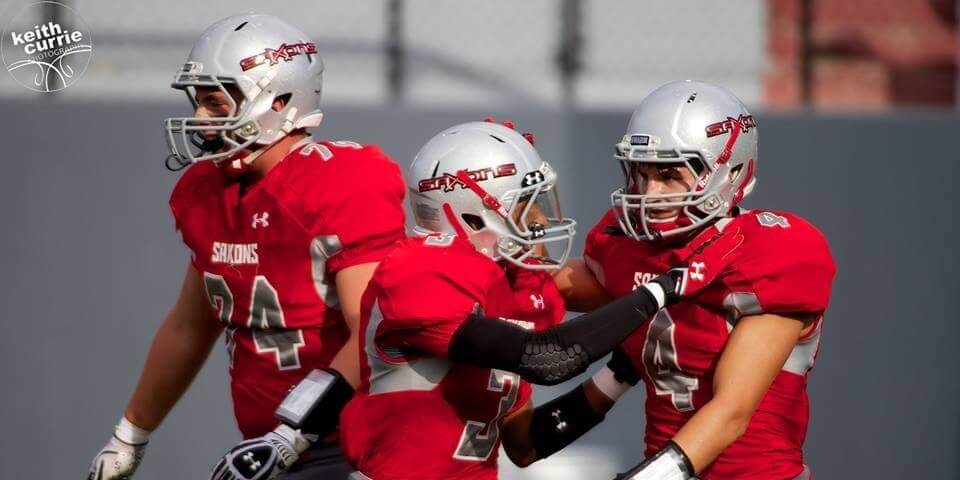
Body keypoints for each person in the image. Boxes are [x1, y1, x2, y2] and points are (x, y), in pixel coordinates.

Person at [209, 120, 688, 480]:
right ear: (472, 216)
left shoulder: (512, 290)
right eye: (527, 204)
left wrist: (619, 377)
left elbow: (523, 444)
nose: (542, 218)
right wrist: (664, 289)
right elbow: (551, 359)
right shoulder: (422, 270)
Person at [86, 13, 406, 480]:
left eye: (216, 104)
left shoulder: (337, 184)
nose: (200, 118)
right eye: (199, 103)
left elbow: (374, 333)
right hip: (278, 445)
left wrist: (291, 435)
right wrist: (129, 436)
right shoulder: (208, 193)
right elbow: (189, 328)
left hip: (358, 447)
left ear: (277, 100)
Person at [548, 80, 837, 479]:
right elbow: (545, 290)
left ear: (729, 170)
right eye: (642, 173)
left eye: (669, 175)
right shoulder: (630, 249)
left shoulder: (769, 254)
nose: (650, 193)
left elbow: (731, 413)